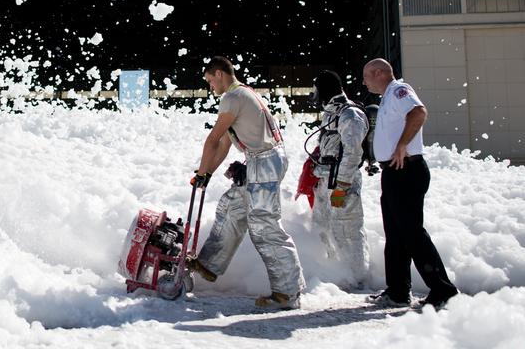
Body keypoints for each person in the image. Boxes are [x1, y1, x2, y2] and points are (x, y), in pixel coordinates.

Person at [187, 56, 305, 310]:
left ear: (219, 74)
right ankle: (209, 264)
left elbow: (212, 140)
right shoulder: (243, 94)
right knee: (232, 206)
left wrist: (202, 173)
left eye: (210, 81)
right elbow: (225, 145)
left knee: (264, 225)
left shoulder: (231, 98)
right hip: (261, 159)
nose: (210, 87)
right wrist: (206, 174)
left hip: (264, 160)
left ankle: (287, 293)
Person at [362, 58, 459, 309]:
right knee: (395, 234)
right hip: (394, 172)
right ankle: (397, 291)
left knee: (412, 233)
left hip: (407, 169)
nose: (364, 82)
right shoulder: (387, 97)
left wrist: (403, 144)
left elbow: (419, 112)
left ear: (379, 73)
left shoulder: (399, 90)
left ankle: (442, 289)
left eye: (366, 76)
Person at [308, 70, 370, 289]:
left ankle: (357, 279)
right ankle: (333, 275)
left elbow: (353, 153)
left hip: (343, 183)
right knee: (321, 228)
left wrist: (342, 186)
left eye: (317, 90)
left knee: (347, 230)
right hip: (326, 180)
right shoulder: (331, 113)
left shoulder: (349, 114)